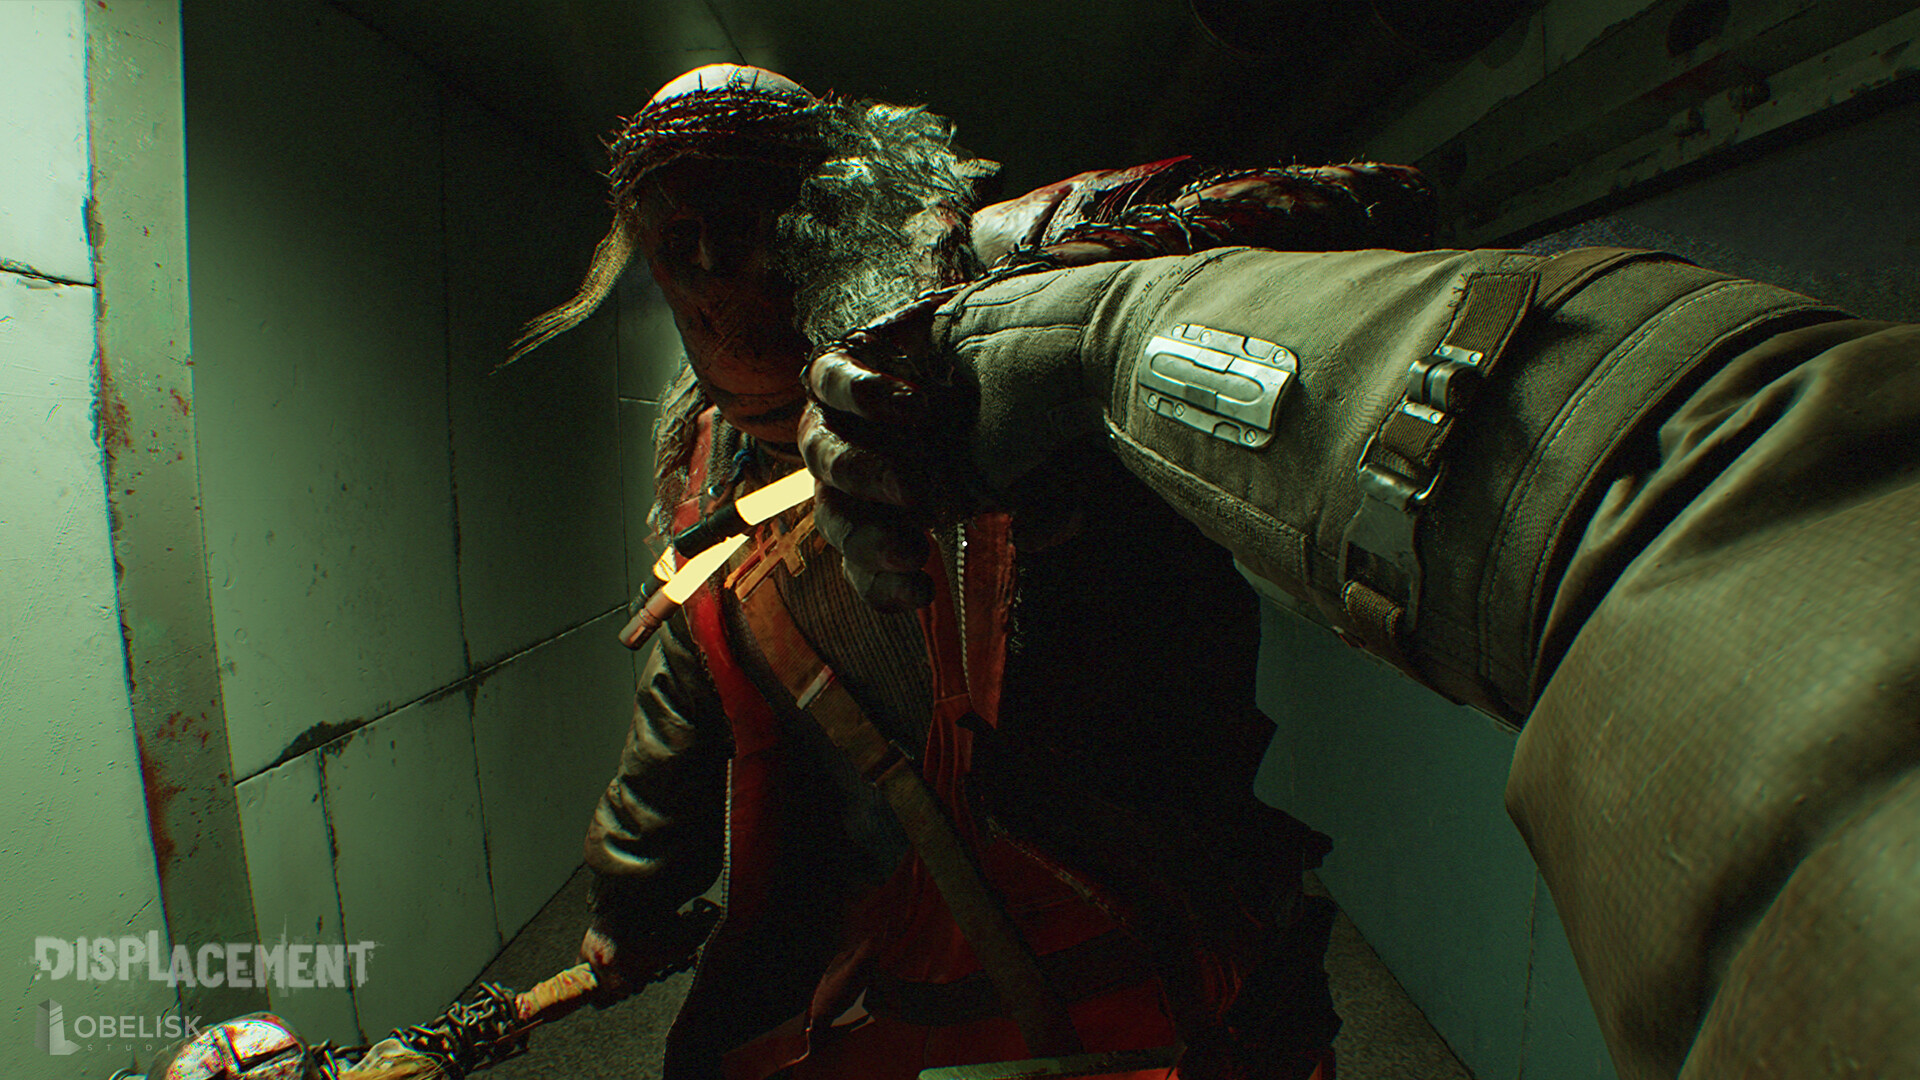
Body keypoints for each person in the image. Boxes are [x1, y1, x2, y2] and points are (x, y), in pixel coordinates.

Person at [512, 63, 1439, 1080]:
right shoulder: (708, 467)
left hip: (1141, 901)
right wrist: (634, 892)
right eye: (673, 240)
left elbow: (1372, 206)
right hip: (893, 940)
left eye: (736, 219)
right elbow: (695, 681)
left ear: (828, 203)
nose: (709, 268)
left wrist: (1054, 323)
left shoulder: (987, 291)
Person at [798, 239, 1920, 1078]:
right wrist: (1103, 335)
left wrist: (1101, 337)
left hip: (1180, 940)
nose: (722, 271)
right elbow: (1760, 524)